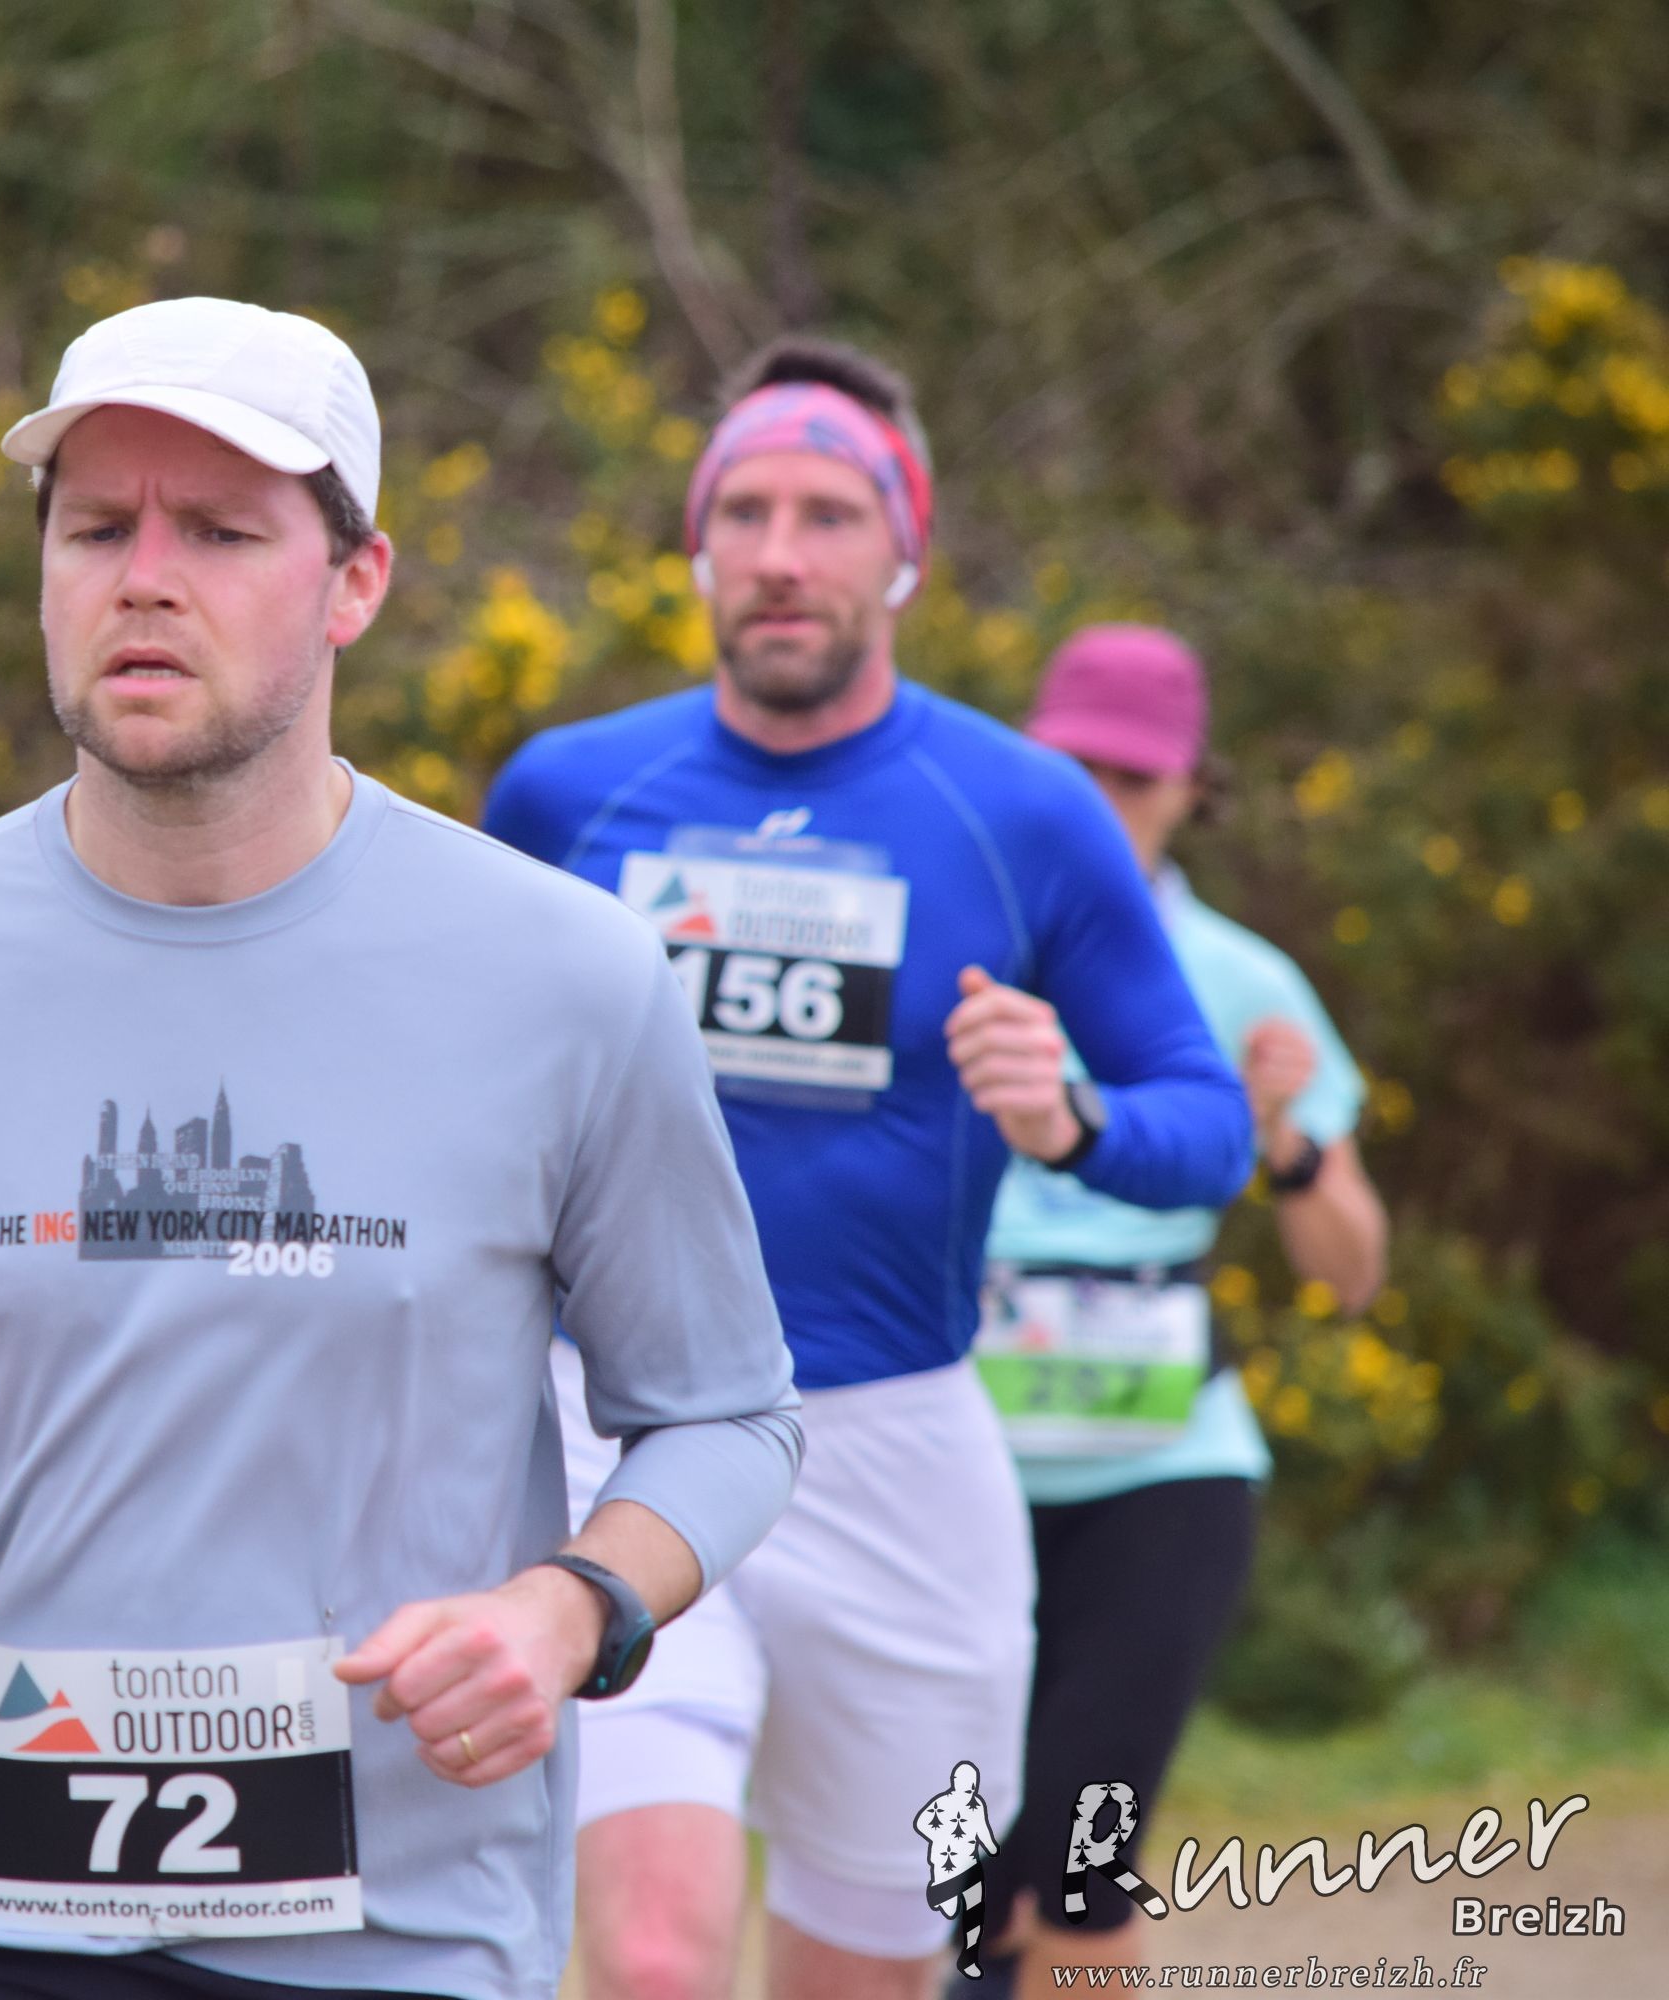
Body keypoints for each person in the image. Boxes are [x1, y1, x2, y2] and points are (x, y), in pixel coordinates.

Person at [0, 295, 804, 2000]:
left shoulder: (566, 979)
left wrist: (570, 1611)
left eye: (221, 530)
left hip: (399, 1943)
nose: (144, 578)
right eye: (95, 528)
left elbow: (725, 1416)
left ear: (356, 582)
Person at [483, 337, 1254, 2000]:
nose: (780, 554)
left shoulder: (1022, 812)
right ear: (696, 549)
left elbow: (1211, 1130)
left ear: (905, 552)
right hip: (619, 1429)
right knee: (657, 1958)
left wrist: (1072, 1120)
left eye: (828, 515)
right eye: (743, 513)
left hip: (897, 1449)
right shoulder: (568, 795)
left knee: (868, 1973)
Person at [966, 625, 1390, 1996]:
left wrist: (1287, 1144)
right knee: (959, 1887)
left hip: (1163, 1477)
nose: (1101, 802)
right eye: (1074, 767)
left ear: (1194, 788)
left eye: (1135, 777)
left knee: (1081, 1872)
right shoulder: (959, 937)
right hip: (948, 1468)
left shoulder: (1248, 984)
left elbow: (1350, 1271)